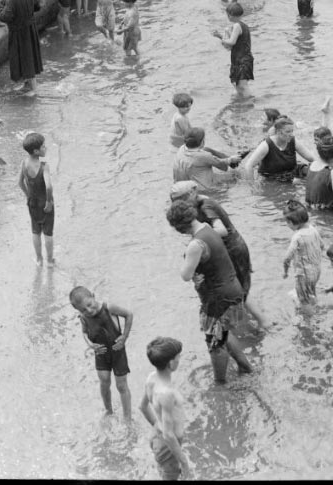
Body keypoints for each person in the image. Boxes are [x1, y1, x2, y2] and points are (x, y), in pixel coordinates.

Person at [167, 199, 253, 384]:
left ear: (180, 226)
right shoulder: (207, 228)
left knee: (215, 343)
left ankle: (220, 383)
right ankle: (245, 367)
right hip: (233, 291)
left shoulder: (195, 245)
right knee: (224, 334)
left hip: (218, 299)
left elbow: (185, 275)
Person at [70, 286, 133, 418]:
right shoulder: (83, 318)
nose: (89, 310)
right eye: (83, 310)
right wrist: (91, 345)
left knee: (121, 385)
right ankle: (108, 411)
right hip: (101, 354)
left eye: (89, 305)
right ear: (78, 310)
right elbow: (85, 333)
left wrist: (124, 336)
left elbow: (129, 314)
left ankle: (127, 417)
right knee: (104, 381)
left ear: (93, 296)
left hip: (118, 352)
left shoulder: (109, 308)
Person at [140, 336, 191, 480]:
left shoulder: (151, 378)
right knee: (171, 476)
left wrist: (157, 425)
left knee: (163, 470)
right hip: (168, 446)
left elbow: (142, 406)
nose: (179, 359)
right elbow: (169, 435)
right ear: (171, 363)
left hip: (157, 436)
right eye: (178, 357)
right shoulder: (167, 393)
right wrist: (184, 462)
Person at [0, 0, 43, 94]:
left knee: (26, 58)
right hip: (30, 29)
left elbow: (6, 17)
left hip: (19, 32)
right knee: (28, 56)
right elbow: (38, 5)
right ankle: (27, 84)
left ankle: (33, 89)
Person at [17, 131, 55, 264]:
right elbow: (49, 187)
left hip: (32, 202)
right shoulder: (44, 166)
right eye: (44, 146)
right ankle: (50, 261)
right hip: (45, 202)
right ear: (36, 151)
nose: (46, 148)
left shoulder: (24, 163)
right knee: (48, 233)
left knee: (36, 231)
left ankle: (39, 259)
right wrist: (49, 202)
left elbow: (20, 183)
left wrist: (28, 195)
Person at [242, 116, 315, 181]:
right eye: (288, 132)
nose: (291, 134)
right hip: (272, 177)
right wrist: (253, 187)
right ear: (279, 132)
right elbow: (249, 166)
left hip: (291, 173)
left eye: (292, 131)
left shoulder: (293, 140)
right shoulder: (266, 145)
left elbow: (312, 159)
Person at [282, 201, 323, 304]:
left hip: (303, 275)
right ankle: (316, 308)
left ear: (291, 222)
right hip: (316, 271)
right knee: (311, 293)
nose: (287, 225)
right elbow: (322, 246)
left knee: (303, 300)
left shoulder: (297, 237)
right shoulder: (313, 229)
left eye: (287, 222)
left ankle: (309, 318)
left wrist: (285, 272)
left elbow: (287, 258)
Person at [213, 1, 254, 95]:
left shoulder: (237, 26)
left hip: (242, 59)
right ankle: (241, 104)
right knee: (237, 85)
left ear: (231, 15)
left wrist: (220, 37)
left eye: (228, 14)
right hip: (239, 58)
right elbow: (230, 47)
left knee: (242, 86)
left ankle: (249, 103)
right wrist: (223, 35)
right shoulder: (242, 25)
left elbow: (231, 42)